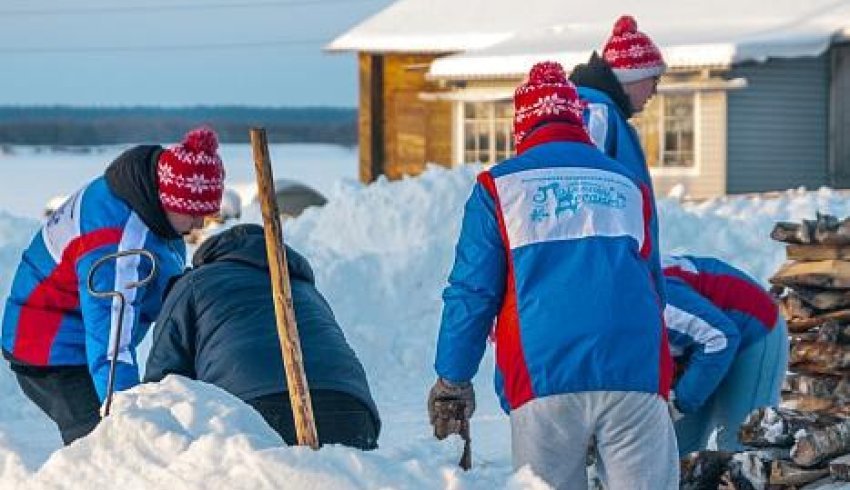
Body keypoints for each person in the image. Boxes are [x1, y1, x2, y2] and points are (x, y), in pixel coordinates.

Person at [427, 61, 677, 490]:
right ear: (577, 119)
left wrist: (453, 377)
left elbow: (472, 293)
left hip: (544, 374)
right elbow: (654, 287)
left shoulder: (499, 188)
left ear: (520, 127)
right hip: (636, 372)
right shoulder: (626, 185)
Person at [2, 127, 226, 445]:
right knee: (104, 447)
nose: (200, 224)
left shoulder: (147, 198)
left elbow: (160, 277)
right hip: (51, 349)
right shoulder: (118, 244)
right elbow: (110, 341)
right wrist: (127, 410)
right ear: (169, 201)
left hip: (77, 336)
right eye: (194, 214)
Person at [144, 224, 380, 450]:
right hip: (353, 408)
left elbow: (163, 382)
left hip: (258, 410)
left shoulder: (194, 283)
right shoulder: (303, 288)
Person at [569, 14, 667, 303]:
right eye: (653, 79)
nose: (655, 90)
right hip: (604, 275)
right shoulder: (597, 114)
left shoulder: (602, 112)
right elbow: (582, 191)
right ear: (631, 79)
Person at [663, 255, 788, 455]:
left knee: (741, 450)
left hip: (752, 328)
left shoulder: (655, 299)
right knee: (673, 453)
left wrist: (678, 404)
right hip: (699, 349)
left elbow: (720, 338)